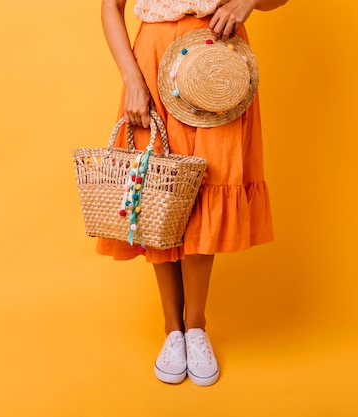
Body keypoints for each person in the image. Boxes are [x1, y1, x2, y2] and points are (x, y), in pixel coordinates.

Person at [99, 0, 287, 386]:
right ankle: (173, 331)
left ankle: (196, 327)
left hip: (218, 60)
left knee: (208, 186)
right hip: (153, 58)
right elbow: (109, 7)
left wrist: (247, 2)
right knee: (157, 192)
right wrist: (133, 81)